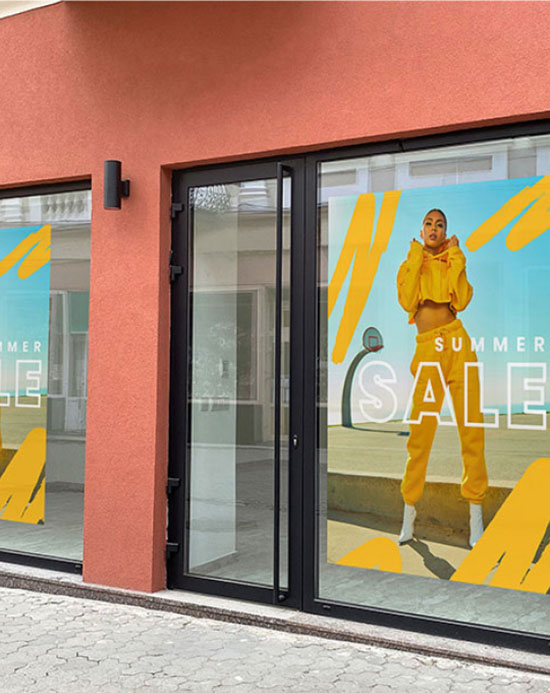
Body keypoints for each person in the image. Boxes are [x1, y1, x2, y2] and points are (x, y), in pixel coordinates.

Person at [396, 209, 488, 548]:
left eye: (441, 224)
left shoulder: (453, 261)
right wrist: (417, 257)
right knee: (420, 436)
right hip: (427, 348)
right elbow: (406, 301)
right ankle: (408, 515)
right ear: (421, 229)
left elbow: (461, 300)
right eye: (429, 223)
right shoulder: (410, 263)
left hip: (457, 341)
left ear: (446, 231)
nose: (435, 228)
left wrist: (457, 258)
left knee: (471, 429)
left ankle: (475, 518)